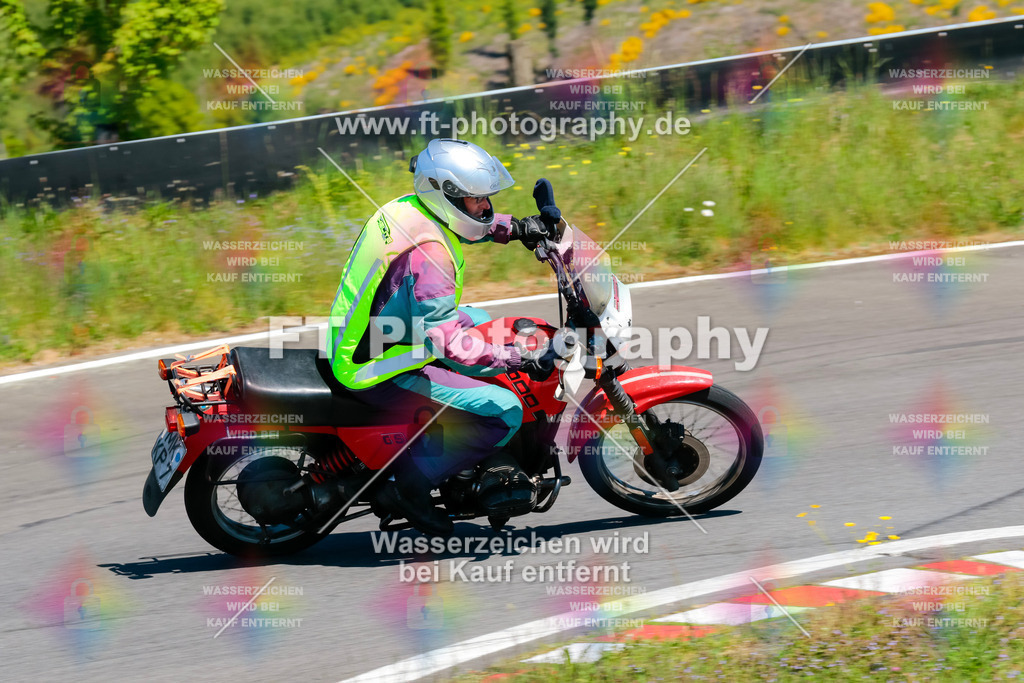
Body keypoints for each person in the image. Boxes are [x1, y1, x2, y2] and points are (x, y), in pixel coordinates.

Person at [327, 138, 555, 536]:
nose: (485, 207)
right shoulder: (432, 260)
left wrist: (517, 228)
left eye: (487, 199)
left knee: (482, 319)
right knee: (506, 409)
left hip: (372, 330)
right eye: (476, 200)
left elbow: (469, 226)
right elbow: (448, 343)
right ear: (446, 195)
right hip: (376, 361)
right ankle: (411, 489)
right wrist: (519, 358)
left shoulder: (409, 208)